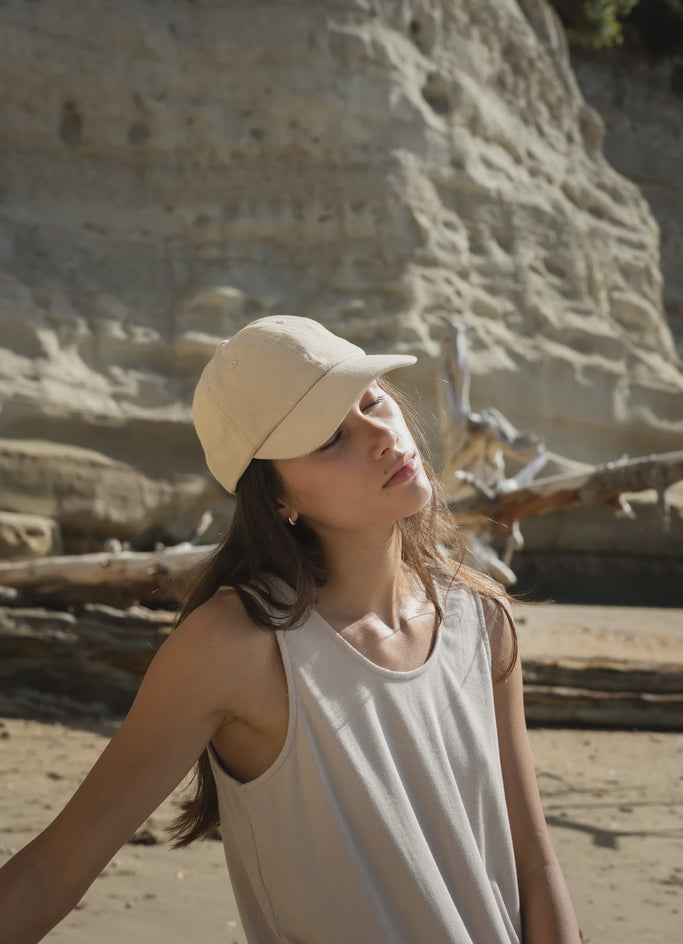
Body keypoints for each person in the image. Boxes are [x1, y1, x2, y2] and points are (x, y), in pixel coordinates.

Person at [0, 315, 581, 944]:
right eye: (331, 436)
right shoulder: (238, 645)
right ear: (277, 497)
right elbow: (53, 869)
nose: (382, 436)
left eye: (371, 399)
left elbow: (536, 866)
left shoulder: (481, 617)